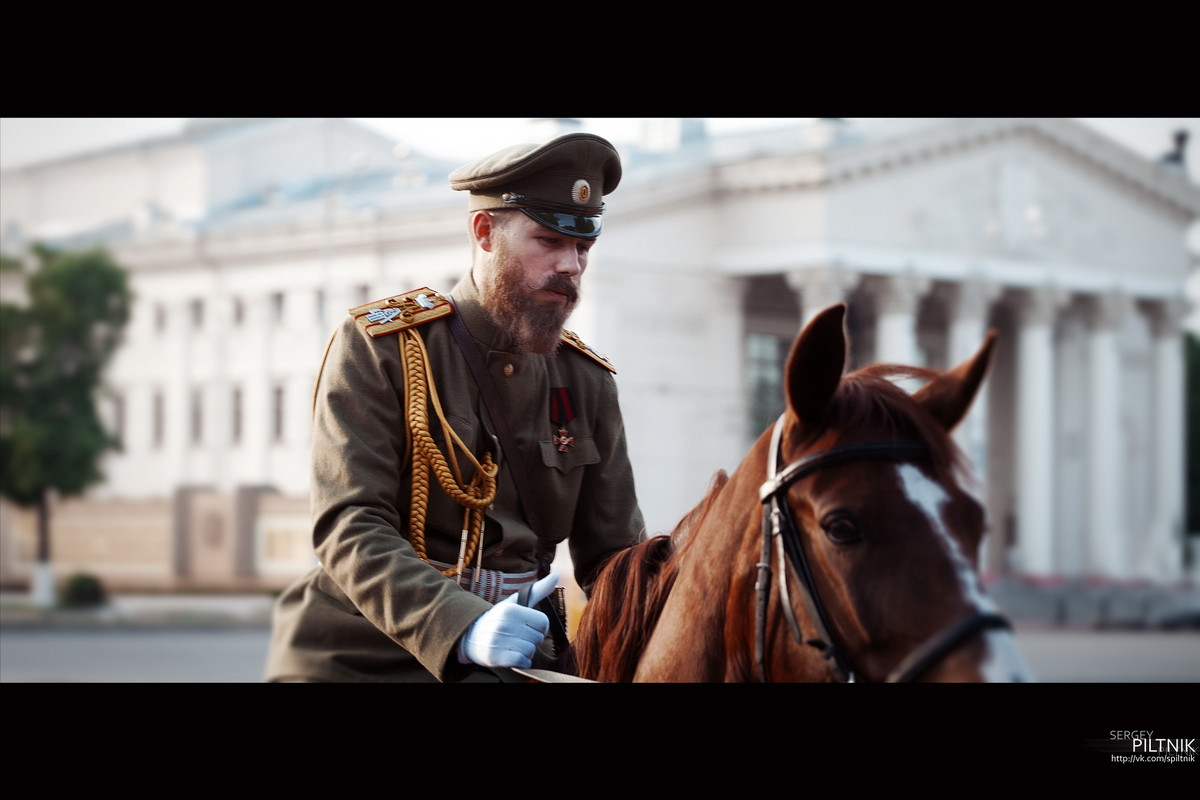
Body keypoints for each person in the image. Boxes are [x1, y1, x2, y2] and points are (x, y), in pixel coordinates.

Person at [265, 132, 646, 682]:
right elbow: (350, 524)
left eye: (582, 248)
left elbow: (616, 560)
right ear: (484, 232)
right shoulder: (384, 348)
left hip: (518, 655)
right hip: (363, 654)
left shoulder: (585, 381)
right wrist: (461, 624)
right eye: (548, 241)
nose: (571, 266)